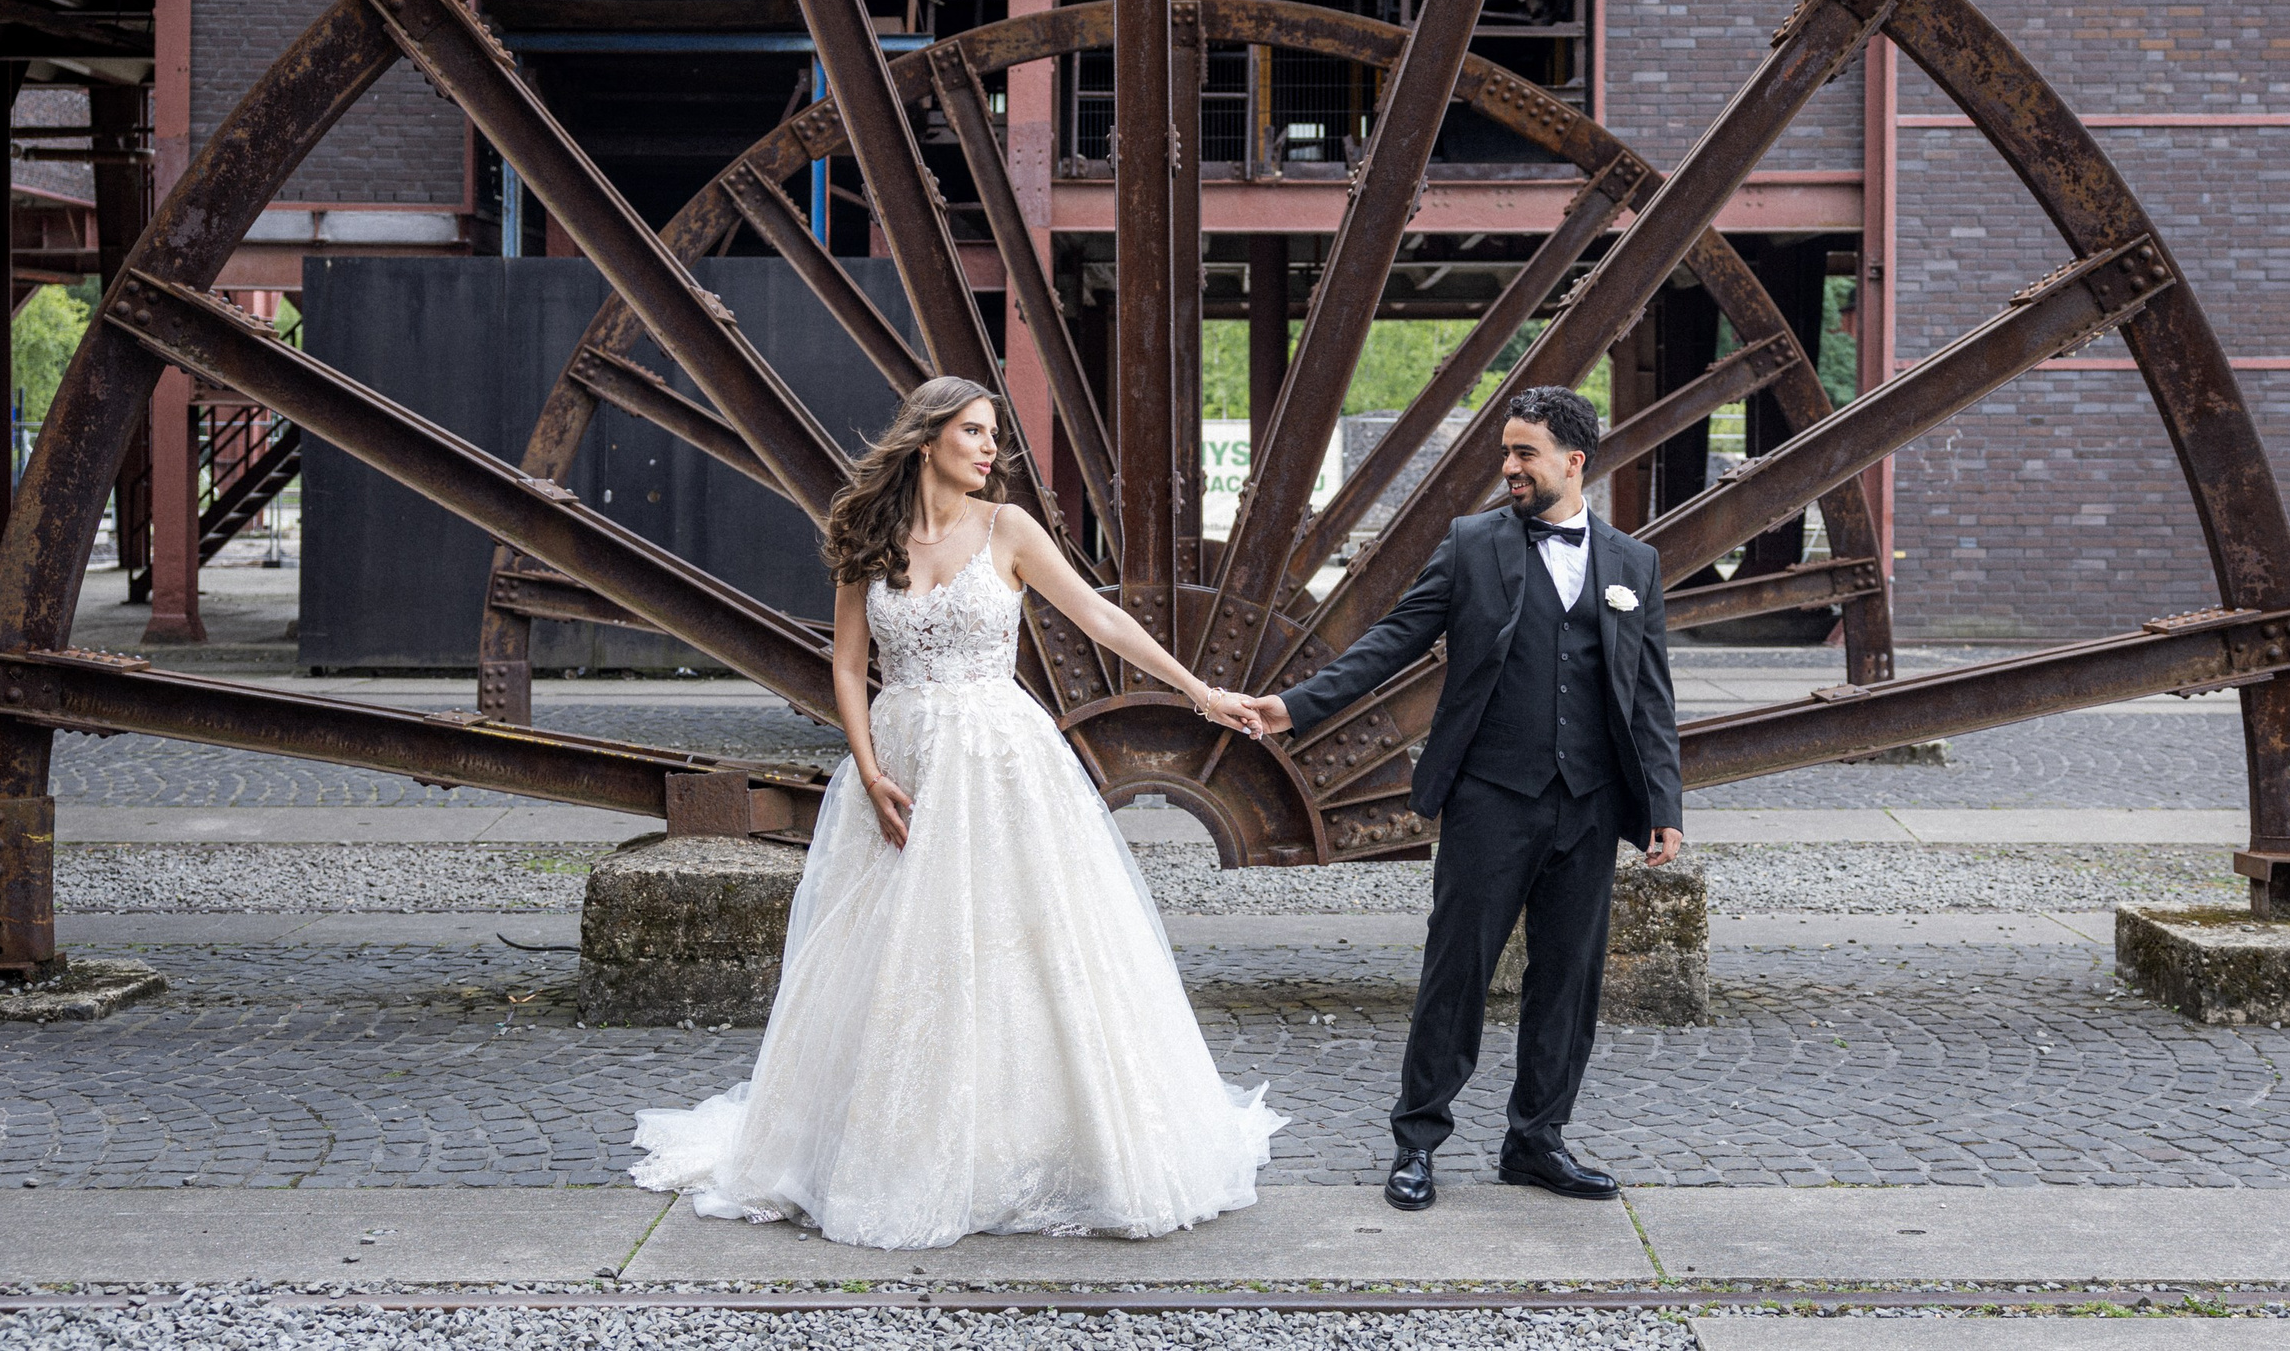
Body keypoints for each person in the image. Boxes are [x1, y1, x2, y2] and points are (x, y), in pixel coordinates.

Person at [629, 376, 1284, 1249]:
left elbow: (1098, 617)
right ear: (927, 437)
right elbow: (847, 663)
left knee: (1023, 946)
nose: (989, 447)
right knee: (898, 955)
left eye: (992, 434)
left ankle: (1029, 1144)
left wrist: (1203, 693)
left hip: (1001, 761)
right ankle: (889, 1144)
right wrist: (869, 771)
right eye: (973, 431)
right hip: (904, 764)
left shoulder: (1007, 528)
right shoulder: (869, 535)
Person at [1243, 385, 1682, 1213]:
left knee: (1569, 979)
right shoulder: (1472, 544)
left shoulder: (1635, 563)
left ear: (1573, 461)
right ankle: (1417, 1141)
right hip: (1490, 797)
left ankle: (1537, 1141)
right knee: (1458, 970)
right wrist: (1294, 706)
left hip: (1590, 804)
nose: (1509, 466)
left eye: (1524, 453)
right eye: (1506, 451)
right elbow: (1392, 639)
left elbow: (1650, 694)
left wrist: (1664, 802)